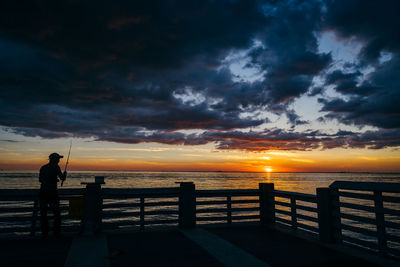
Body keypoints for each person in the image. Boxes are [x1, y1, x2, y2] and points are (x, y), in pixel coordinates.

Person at [39, 153, 67, 238]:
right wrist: (65, 174)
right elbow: (62, 178)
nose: (59, 160)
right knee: (57, 214)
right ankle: (56, 233)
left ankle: (45, 233)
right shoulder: (56, 167)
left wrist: (52, 179)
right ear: (54, 159)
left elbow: (40, 180)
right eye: (58, 159)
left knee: (43, 214)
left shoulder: (43, 167)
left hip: (43, 193)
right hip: (52, 193)